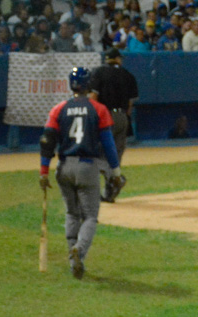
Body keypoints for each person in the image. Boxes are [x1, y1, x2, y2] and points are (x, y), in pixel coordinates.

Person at [39, 67, 122, 280]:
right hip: (87, 167)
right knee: (90, 216)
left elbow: (47, 141)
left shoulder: (58, 109)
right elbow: (109, 144)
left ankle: (72, 258)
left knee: (71, 213)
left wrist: (43, 172)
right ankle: (80, 250)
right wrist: (115, 171)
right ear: (88, 86)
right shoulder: (99, 109)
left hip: (64, 166)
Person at [89, 47, 139, 202]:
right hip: (122, 117)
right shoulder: (128, 75)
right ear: (117, 59)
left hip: (105, 116)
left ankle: (114, 180)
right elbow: (131, 103)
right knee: (115, 157)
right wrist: (123, 116)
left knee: (97, 155)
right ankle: (110, 193)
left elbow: (93, 96)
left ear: (106, 59)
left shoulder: (98, 72)